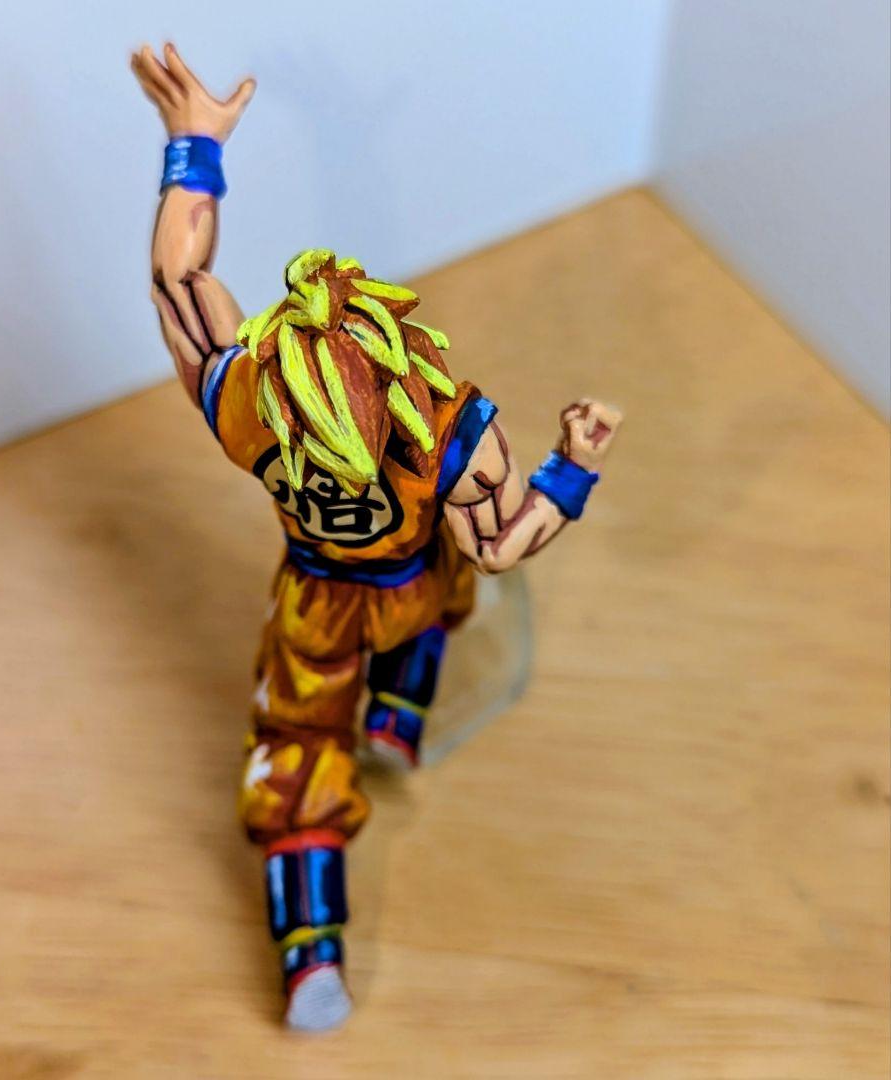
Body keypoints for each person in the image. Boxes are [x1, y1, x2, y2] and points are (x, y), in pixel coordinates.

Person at [131, 42, 622, 1032]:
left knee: (296, 749)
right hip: (407, 580)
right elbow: (498, 546)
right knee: (444, 594)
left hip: (315, 601)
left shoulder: (247, 402)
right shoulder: (444, 434)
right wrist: (568, 468)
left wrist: (193, 145)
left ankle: (312, 949)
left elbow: (178, 277)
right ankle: (397, 712)